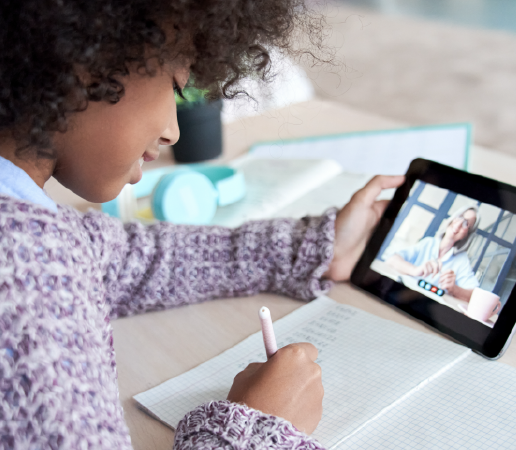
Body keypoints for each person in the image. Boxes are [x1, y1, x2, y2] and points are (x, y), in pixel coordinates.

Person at [0, 1, 404, 449]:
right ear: (84, 61)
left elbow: (129, 257)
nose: (173, 130)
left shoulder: (29, 233)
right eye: (174, 86)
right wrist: (255, 428)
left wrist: (315, 247)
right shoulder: (23, 285)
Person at [386, 205, 480, 301]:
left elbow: (475, 296)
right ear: (452, 219)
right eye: (460, 217)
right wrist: (415, 270)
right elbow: (392, 259)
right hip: (400, 295)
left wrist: (454, 289)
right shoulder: (428, 243)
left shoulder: (462, 260)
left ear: (467, 235)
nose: (458, 224)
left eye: (466, 224)